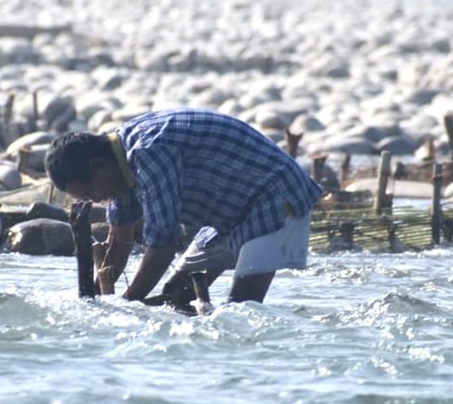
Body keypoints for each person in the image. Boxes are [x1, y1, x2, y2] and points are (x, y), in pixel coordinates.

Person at [44, 107, 323, 305]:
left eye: (91, 192)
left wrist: (127, 306)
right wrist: (93, 301)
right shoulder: (117, 166)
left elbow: (162, 247)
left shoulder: (148, 153)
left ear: (99, 167)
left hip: (275, 198)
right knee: (177, 294)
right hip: (230, 215)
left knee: (242, 308)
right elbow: (119, 243)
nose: (96, 199)